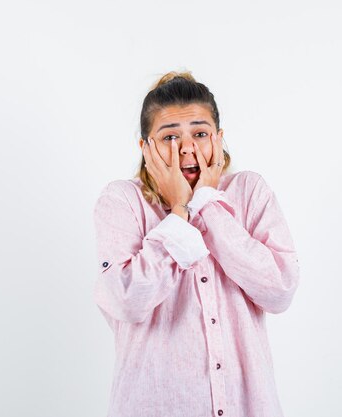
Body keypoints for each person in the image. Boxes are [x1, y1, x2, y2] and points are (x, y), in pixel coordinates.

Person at [93, 71, 301, 417]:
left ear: (219, 139)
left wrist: (207, 203)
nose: (187, 148)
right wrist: (179, 213)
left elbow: (279, 290)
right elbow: (126, 300)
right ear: (146, 147)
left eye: (200, 133)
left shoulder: (249, 193)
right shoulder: (122, 202)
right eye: (170, 136)